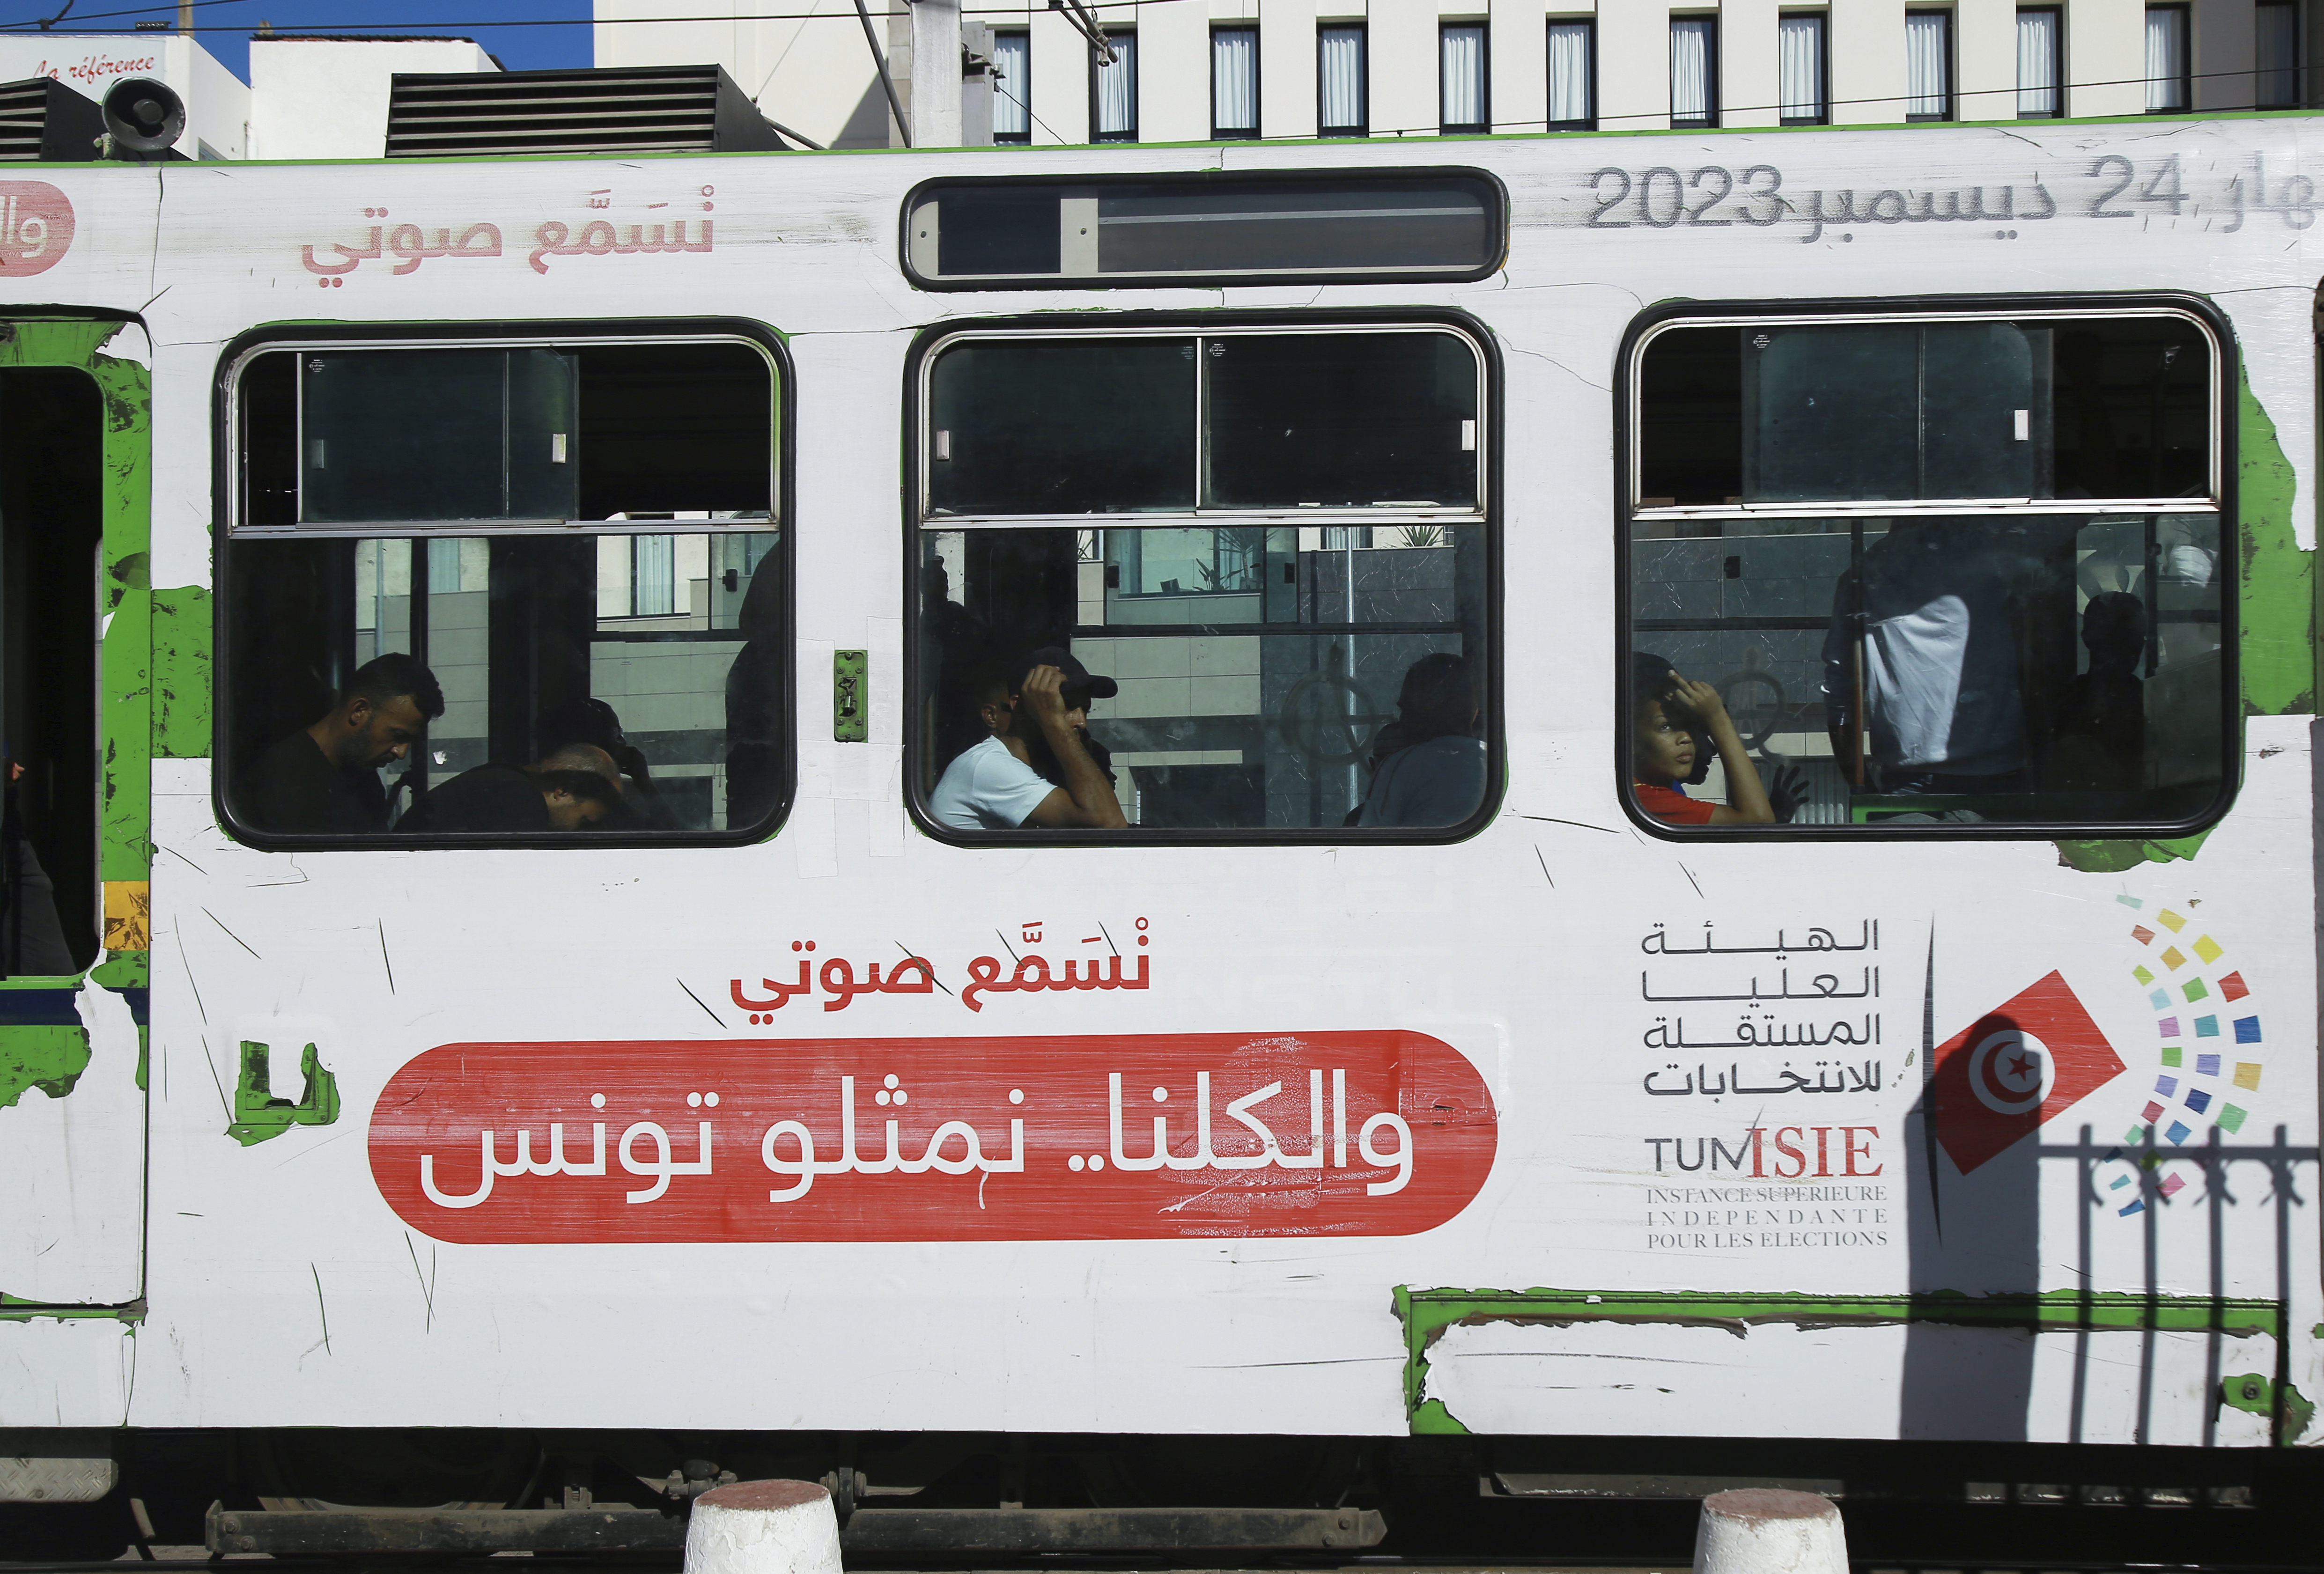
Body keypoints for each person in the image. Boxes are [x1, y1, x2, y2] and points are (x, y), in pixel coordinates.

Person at [1821, 518, 2076, 794]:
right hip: (1996, 767)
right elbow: (2067, 515)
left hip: (1909, 772)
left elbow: (1840, 692)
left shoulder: (1864, 575)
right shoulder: (1985, 551)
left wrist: (1861, 787)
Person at [241, 653, 444, 834]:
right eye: (398, 735)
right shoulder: (283, 781)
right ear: (359, 711)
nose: (401, 753)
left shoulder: (364, 781)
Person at [930, 648, 1128, 831]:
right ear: (1021, 707)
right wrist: (1054, 721)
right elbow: (1109, 824)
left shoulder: (1034, 769)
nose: (1081, 722)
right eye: (1066, 706)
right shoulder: (988, 766)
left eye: (1085, 710)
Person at [1631, 660, 1774, 825]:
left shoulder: (1660, 792)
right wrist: (1716, 717)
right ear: (1632, 742)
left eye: (1690, 725)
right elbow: (1759, 820)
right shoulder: (1643, 799)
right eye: (1666, 726)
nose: (1686, 738)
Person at [1355, 653, 1487, 828]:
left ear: (1425, 707)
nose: (1402, 720)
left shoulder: (1400, 766)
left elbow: (1372, 841)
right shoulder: (1495, 762)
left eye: (1406, 708)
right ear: (1475, 710)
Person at [397, 745, 622, 833]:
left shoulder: (501, 781)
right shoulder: (519, 800)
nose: (580, 832)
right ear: (562, 791)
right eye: (585, 821)